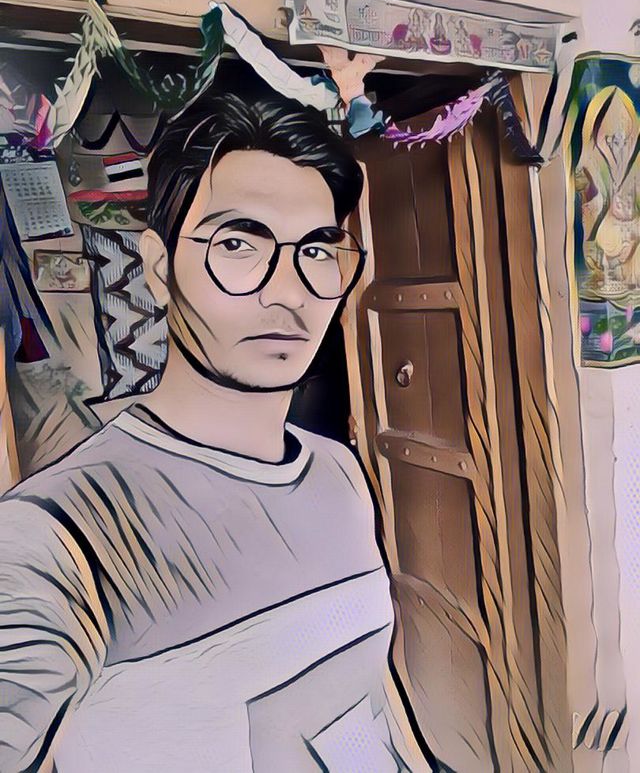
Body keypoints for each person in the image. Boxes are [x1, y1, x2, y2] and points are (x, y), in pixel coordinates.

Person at [0, 91, 432, 772]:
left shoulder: (339, 472)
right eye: (237, 244)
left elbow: (370, 697)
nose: (288, 291)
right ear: (158, 267)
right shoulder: (58, 532)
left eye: (317, 249)